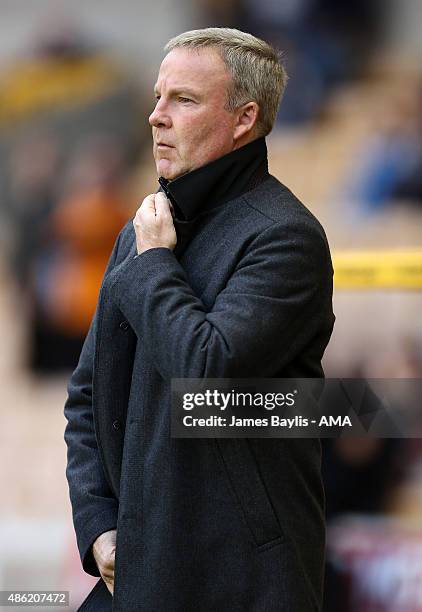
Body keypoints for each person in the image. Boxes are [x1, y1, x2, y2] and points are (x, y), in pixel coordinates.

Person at [64, 27, 335, 611]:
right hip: (132, 570)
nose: (157, 117)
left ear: (244, 119)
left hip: (237, 581)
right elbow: (87, 398)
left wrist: (155, 262)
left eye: (183, 100)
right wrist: (97, 526)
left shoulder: (285, 237)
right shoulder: (142, 231)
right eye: (158, 98)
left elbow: (206, 372)